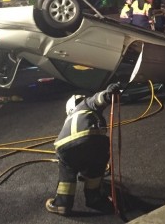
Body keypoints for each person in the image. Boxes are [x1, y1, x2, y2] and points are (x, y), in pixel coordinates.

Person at [45, 83, 120, 216]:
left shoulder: (68, 118)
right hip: (95, 141)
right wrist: (108, 94)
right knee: (96, 167)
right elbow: (98, 99)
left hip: (65, 146)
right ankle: (95, 199)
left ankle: (62, 205)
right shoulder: (86, 103)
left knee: (67, 171)